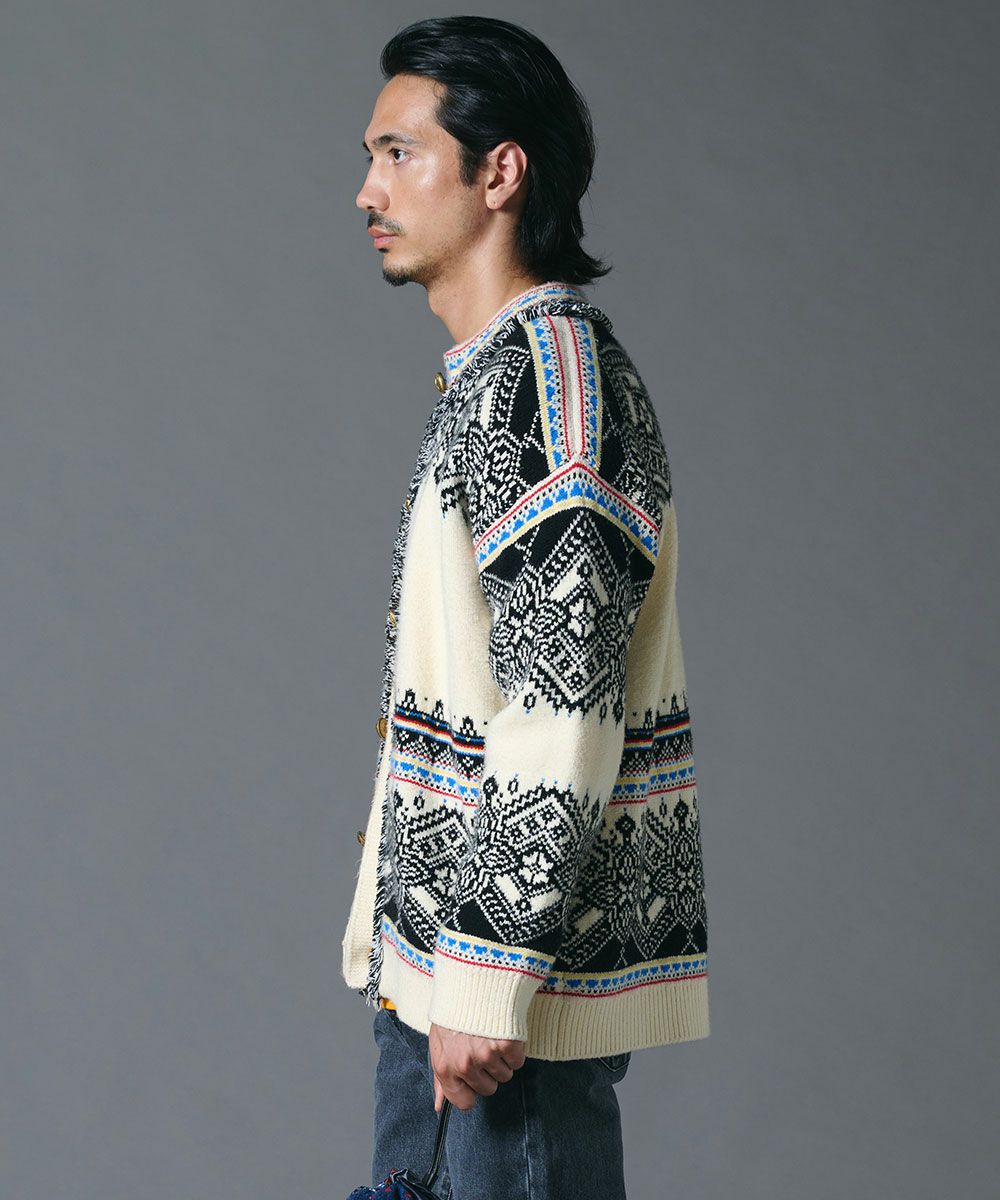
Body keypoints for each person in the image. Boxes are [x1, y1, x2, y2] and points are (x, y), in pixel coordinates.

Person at [342, 16, 710, 1199]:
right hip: (442, 984)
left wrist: (488, 975)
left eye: (399, 154)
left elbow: (563, 701)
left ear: (500, 173)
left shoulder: (549, 388)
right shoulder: (500, 376)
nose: (368, 192)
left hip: (501, 1013)